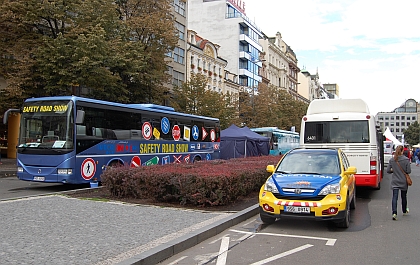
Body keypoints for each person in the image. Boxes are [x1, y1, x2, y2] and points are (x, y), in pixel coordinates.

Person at [387, 145, 411, 220]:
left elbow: (388, 170)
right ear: (403, 151)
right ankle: (404, 210)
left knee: (395, 197)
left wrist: (393, 170)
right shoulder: (406, 160)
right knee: (404, 196)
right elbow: (408, 171)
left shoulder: (392, 160)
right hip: (403, 181)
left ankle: (394, 213)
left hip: (395, 181)